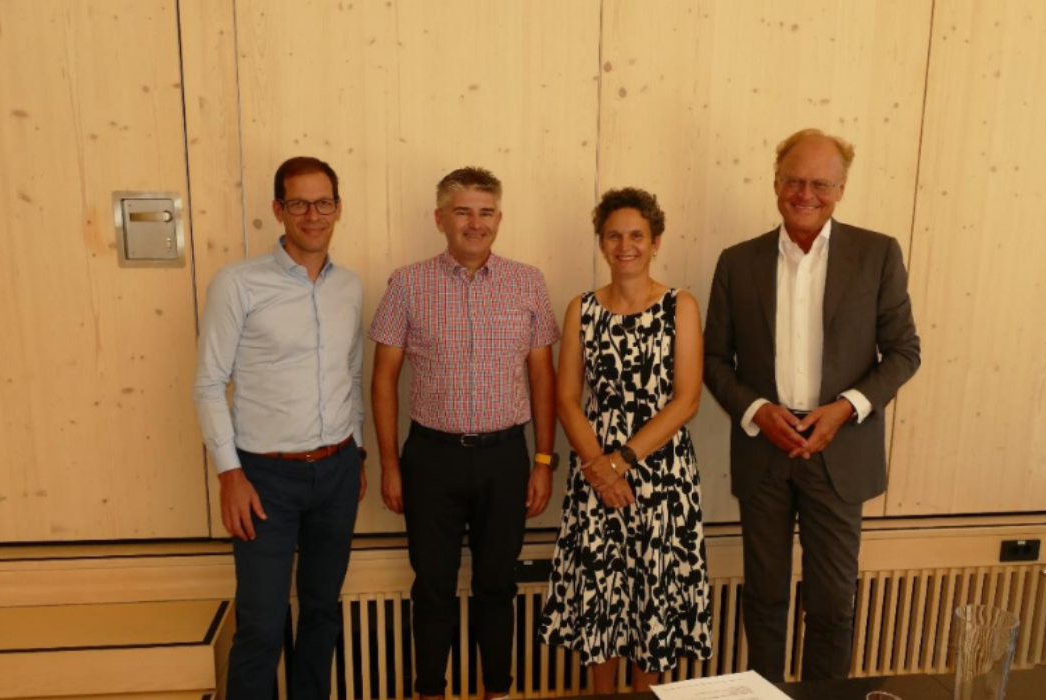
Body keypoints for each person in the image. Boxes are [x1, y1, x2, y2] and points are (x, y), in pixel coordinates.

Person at [703, 129, 921, 682]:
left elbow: (904, 351)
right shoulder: (737, 261)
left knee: (832, 605)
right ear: (776, 183)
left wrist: (845, 408)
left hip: (840, 452)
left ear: (841, 188)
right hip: (764, 452)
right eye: (794, 181)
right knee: (764, 599)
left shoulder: (877, 254)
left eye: (820, 184)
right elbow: (714, 360)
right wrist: (757, 411)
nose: (806, 194)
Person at [368, 167, 560, 700]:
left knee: (497, 585)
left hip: (505, 458)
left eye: (485, 212)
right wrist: (389, 464)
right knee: (432, 587)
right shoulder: (407, 284)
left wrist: (544, 460)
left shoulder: (528, 282)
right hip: (432, 459)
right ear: (440, 219)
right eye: (463, 212)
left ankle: (496, 691)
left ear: (499, 218)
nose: (475, 223)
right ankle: (431, 692)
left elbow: (542, 376)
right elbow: (383, 379)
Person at [194, 156, 367, 699]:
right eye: (299, 203)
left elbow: (351, 373)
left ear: (337, 208)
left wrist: (358, 453)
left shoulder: (350, 286)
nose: (313, 215)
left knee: (321, 613)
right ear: (278, 209)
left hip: (337, 473)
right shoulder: (238, 284)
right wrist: (229, 475)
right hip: (263, 480)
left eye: (323, 203)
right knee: (262, 625)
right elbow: (208, 384)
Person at [539, 188, 711, 693]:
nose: (625, 245)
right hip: (596, 474)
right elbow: (566, 397)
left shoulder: (680, 306)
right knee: (602, 595)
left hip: (660, 475)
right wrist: (600, 467)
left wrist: (623, 461)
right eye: (614, 235)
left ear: (655, 242)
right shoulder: (582, 309)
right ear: (601, 243)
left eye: (637, 235)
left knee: (650, 598)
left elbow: (687, 400)